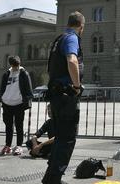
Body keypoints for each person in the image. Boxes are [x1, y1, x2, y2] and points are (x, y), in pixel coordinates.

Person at [42, 11, 84, 184]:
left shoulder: (59, 38)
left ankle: (51, 177)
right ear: (81, 26)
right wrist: (76, 85)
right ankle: (54, 178)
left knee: (60, 137)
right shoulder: (72, 38)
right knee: (67, 138)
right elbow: (72, 60)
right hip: (66, 95)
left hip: (56, 92)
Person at [0, 55, 33, 156]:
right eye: (14, 66)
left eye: (17, 65)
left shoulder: (23, 74)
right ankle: (8, 145)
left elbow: (28, 89)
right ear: (11, 65)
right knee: (8, 126)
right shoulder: (7, 74)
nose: (16, 67)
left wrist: (27, 101)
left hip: (18, 103)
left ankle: (19, 146)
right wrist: (2, 97)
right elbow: (2, 87)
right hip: (7, 103)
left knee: (19, 125)